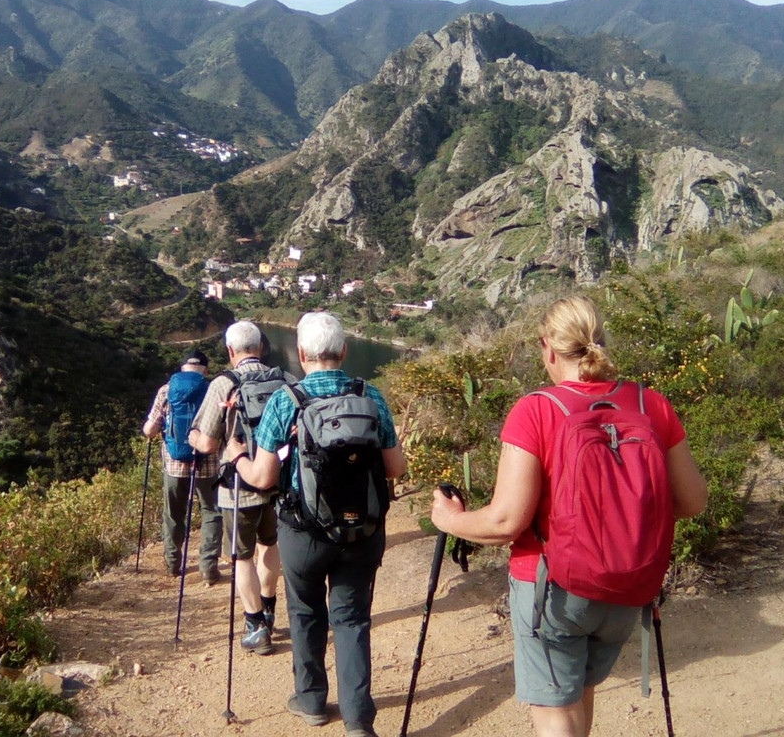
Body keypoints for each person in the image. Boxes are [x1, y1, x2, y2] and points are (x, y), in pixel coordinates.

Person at [430, 296, 708, 737]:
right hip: (627, 585)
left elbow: (505, 523)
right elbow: (693, 501)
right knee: (580, 692)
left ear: (548, 348)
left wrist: (449, 520)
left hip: (551, 589)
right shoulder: (650, 404)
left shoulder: (536, 410)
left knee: (555, 709)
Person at [228, 312, 407, 737]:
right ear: (344, 352)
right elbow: (395, 467)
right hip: (362, 530)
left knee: (306, 614)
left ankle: (310, 701)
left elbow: (264, 478)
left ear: (302, 355)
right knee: (352, 619)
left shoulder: (285, 401)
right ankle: (359, 720)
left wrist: (236, 456)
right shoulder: (371, 396)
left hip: (303, 533)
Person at [189, 321, 288, 656]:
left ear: (231, 351)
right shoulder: (284, 380)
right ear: (261, 346)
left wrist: (191, 436)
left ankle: (255, 623)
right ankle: (270, 608)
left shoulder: (224, 383)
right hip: (277, 483)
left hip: (237, 488)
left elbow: (205, 443)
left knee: (242, 557)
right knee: (270, 544)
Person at [142, 349, 223, 585]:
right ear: (205, 370)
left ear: (182, 368)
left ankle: (172, 563)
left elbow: (150, 430)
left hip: (175, 464)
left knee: (174, 514)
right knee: (211, 512)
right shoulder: (213, 390)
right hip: (207, 463)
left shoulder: (166, 391)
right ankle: (208, 567)